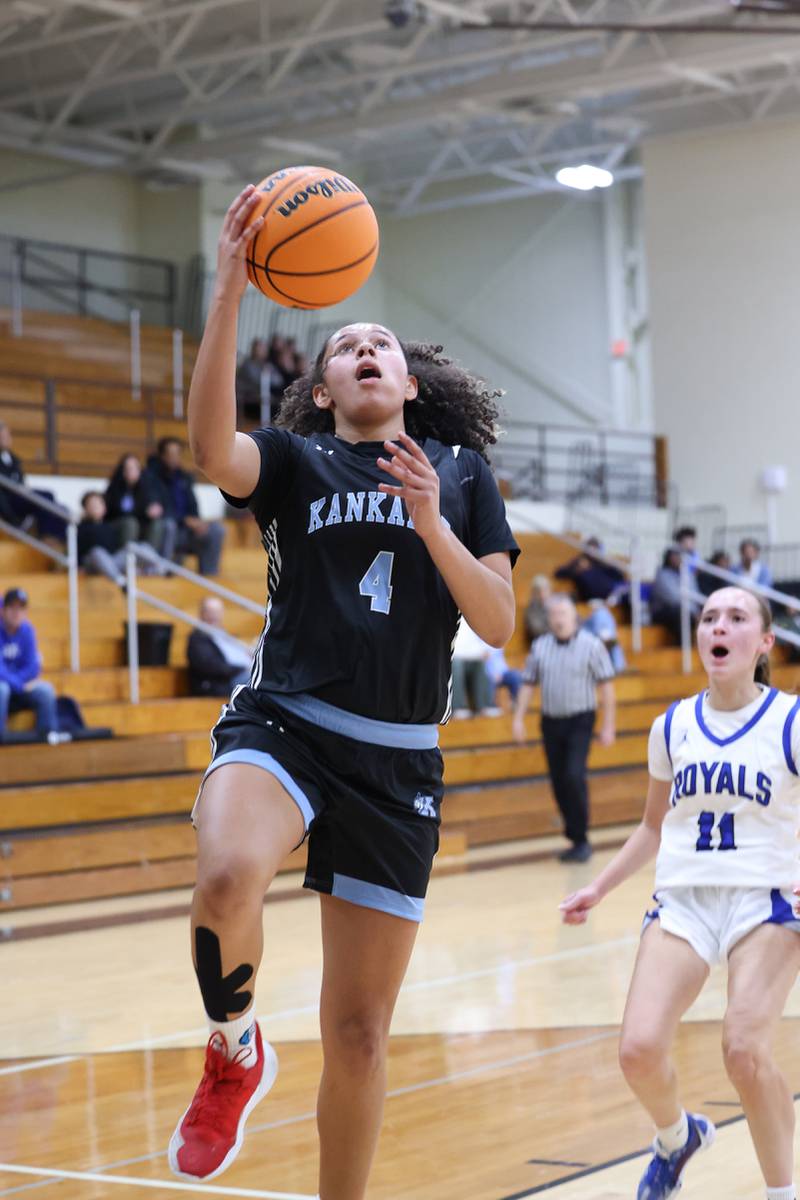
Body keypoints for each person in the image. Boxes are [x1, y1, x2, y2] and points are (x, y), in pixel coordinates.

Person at [167, 183, 520, 1197]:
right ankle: (232, 1048)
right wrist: (230, 289)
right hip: (284, 721)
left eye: (383, 345)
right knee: (228, 876)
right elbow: (208, 451)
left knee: (359, 1034)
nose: (366, 351)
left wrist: (431, 522)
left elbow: (493, 623)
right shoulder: (295, 458)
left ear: (408, 381)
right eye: (344, 347)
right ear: (323, 388)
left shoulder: (458, 471)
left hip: (397, 755)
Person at [560, 586, 800, 1200]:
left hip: (766, 901)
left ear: (763, 642)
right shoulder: (673, 727)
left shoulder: (790, 721)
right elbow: (651, 826)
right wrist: (600, 886)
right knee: (637, 1050)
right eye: (709, 616)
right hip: (684, 898)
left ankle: (782, 1191)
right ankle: (676, 1137)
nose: (719, 625)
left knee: (744, 1050)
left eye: (737, 617)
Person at [512, 594, 616, 862]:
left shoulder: (592, 646)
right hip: (550, 721)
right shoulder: (540, 647)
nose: (558, 619)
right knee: (559, 781)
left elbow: (606, 687)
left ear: (574, 617)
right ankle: (574, 836)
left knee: (573, 775)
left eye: (563, 614)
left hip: (581, 719)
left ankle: (581, 838)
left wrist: (608, 725)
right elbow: (527, 684)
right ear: (549, 619)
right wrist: (518, 718)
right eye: (554, 614)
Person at [145, 437, 225, 576]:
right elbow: (159, 510)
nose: (175, 458)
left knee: (217, 530)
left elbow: (193, 507)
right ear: (163, 456)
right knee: (169, 525)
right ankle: (162, 572)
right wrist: (184, 520)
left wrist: (198, 523)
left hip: (188, 531)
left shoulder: (185, 478)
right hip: (170, 530)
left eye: (177, 454)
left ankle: (209, 576)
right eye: (171, 454)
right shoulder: (151, 478)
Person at [0, 588, 58, 743]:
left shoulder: (27, 631)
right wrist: (18, 684)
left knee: (45, 690)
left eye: (21, 608)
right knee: (1, 689)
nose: (16, 612)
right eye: (12, 608)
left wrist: (18, 683)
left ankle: (46, 738)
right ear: (3, 610)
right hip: (8, 688)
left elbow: (33, 667)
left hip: (19, 688)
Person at [0, 421, 67, 544]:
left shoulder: (14, 459)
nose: (7, 439)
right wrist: (11, 518)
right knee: (46, 497)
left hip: (19, 495)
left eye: (8, 436)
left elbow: (21, 482)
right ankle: (46, 537)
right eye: (3, 436)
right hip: (8, 502)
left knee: (60, 509)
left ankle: (56, 541)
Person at [105, 453, 176, 562]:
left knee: (158, 524)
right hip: (119, 525)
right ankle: (126, 561)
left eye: (134, 468)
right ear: (122, 470)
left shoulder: (147, 485)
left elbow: (159, 504)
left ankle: (149, 562)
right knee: (130, 523)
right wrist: (143, 511)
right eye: (127, 468)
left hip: (143, 525)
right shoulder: (115, 487)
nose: (130, 472)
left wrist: (156, 509)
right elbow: (113, 511)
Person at [186, 597, 253, 697]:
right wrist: (242, 668)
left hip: (233, 677)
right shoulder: (198, 639)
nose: (214, 616)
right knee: (255, 680)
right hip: (216, 684)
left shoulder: (222, 634)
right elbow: (212, 666)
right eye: (211, 612)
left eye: (217, 612)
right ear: (202, 613)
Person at [554, 536, 628, 604]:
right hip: (594, 595)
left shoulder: (603, 562)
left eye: (595, 549)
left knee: (635, 591)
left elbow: (620, 576)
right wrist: (577, 570)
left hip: (614, 590)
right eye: (590, 549)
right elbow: (558, 573)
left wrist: (607, 563)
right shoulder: (580, 561)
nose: (592, 552)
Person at [649, 546, 700, 643]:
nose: (678, 558)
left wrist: (697, 611)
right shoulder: (662, 575)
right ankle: (681, 646)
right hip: (663, 611)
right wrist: (693, 613)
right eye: (675, 556)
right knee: (680, 614)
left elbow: (695, 595)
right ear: (668, 558)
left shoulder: (688, 574)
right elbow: (673, 599)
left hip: (688, 609)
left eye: (679, 556)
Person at [451, 619, 500, 718]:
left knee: (481, 663)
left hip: (470, 657)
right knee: (456, 664)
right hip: (454, 658)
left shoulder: (471, 617)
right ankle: (458, 707)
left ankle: (485, 705)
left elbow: (477, 644)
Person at [235, 338, 279, 423]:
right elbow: (256, 381)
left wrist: (269, 375)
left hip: (262, 398)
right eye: (260, 348)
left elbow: (278, 380)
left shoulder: (267, 365)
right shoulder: (248, 364)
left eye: (264, 349)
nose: (263, 351)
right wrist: (265, 374)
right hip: (249, 398)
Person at [583, 597, 626, 673]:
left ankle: (617, 667)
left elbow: (604, 633)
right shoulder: (604, 614)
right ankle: (617, 666)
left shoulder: (600, 614)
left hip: (601, 639)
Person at [523, 573, 551, 647]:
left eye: (545, 590)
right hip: (541, 644)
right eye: (538, 591)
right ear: (534, 593)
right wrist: (556, 627)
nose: (542, 594)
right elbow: (536, 629)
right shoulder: (531, 609)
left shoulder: (555, 604)